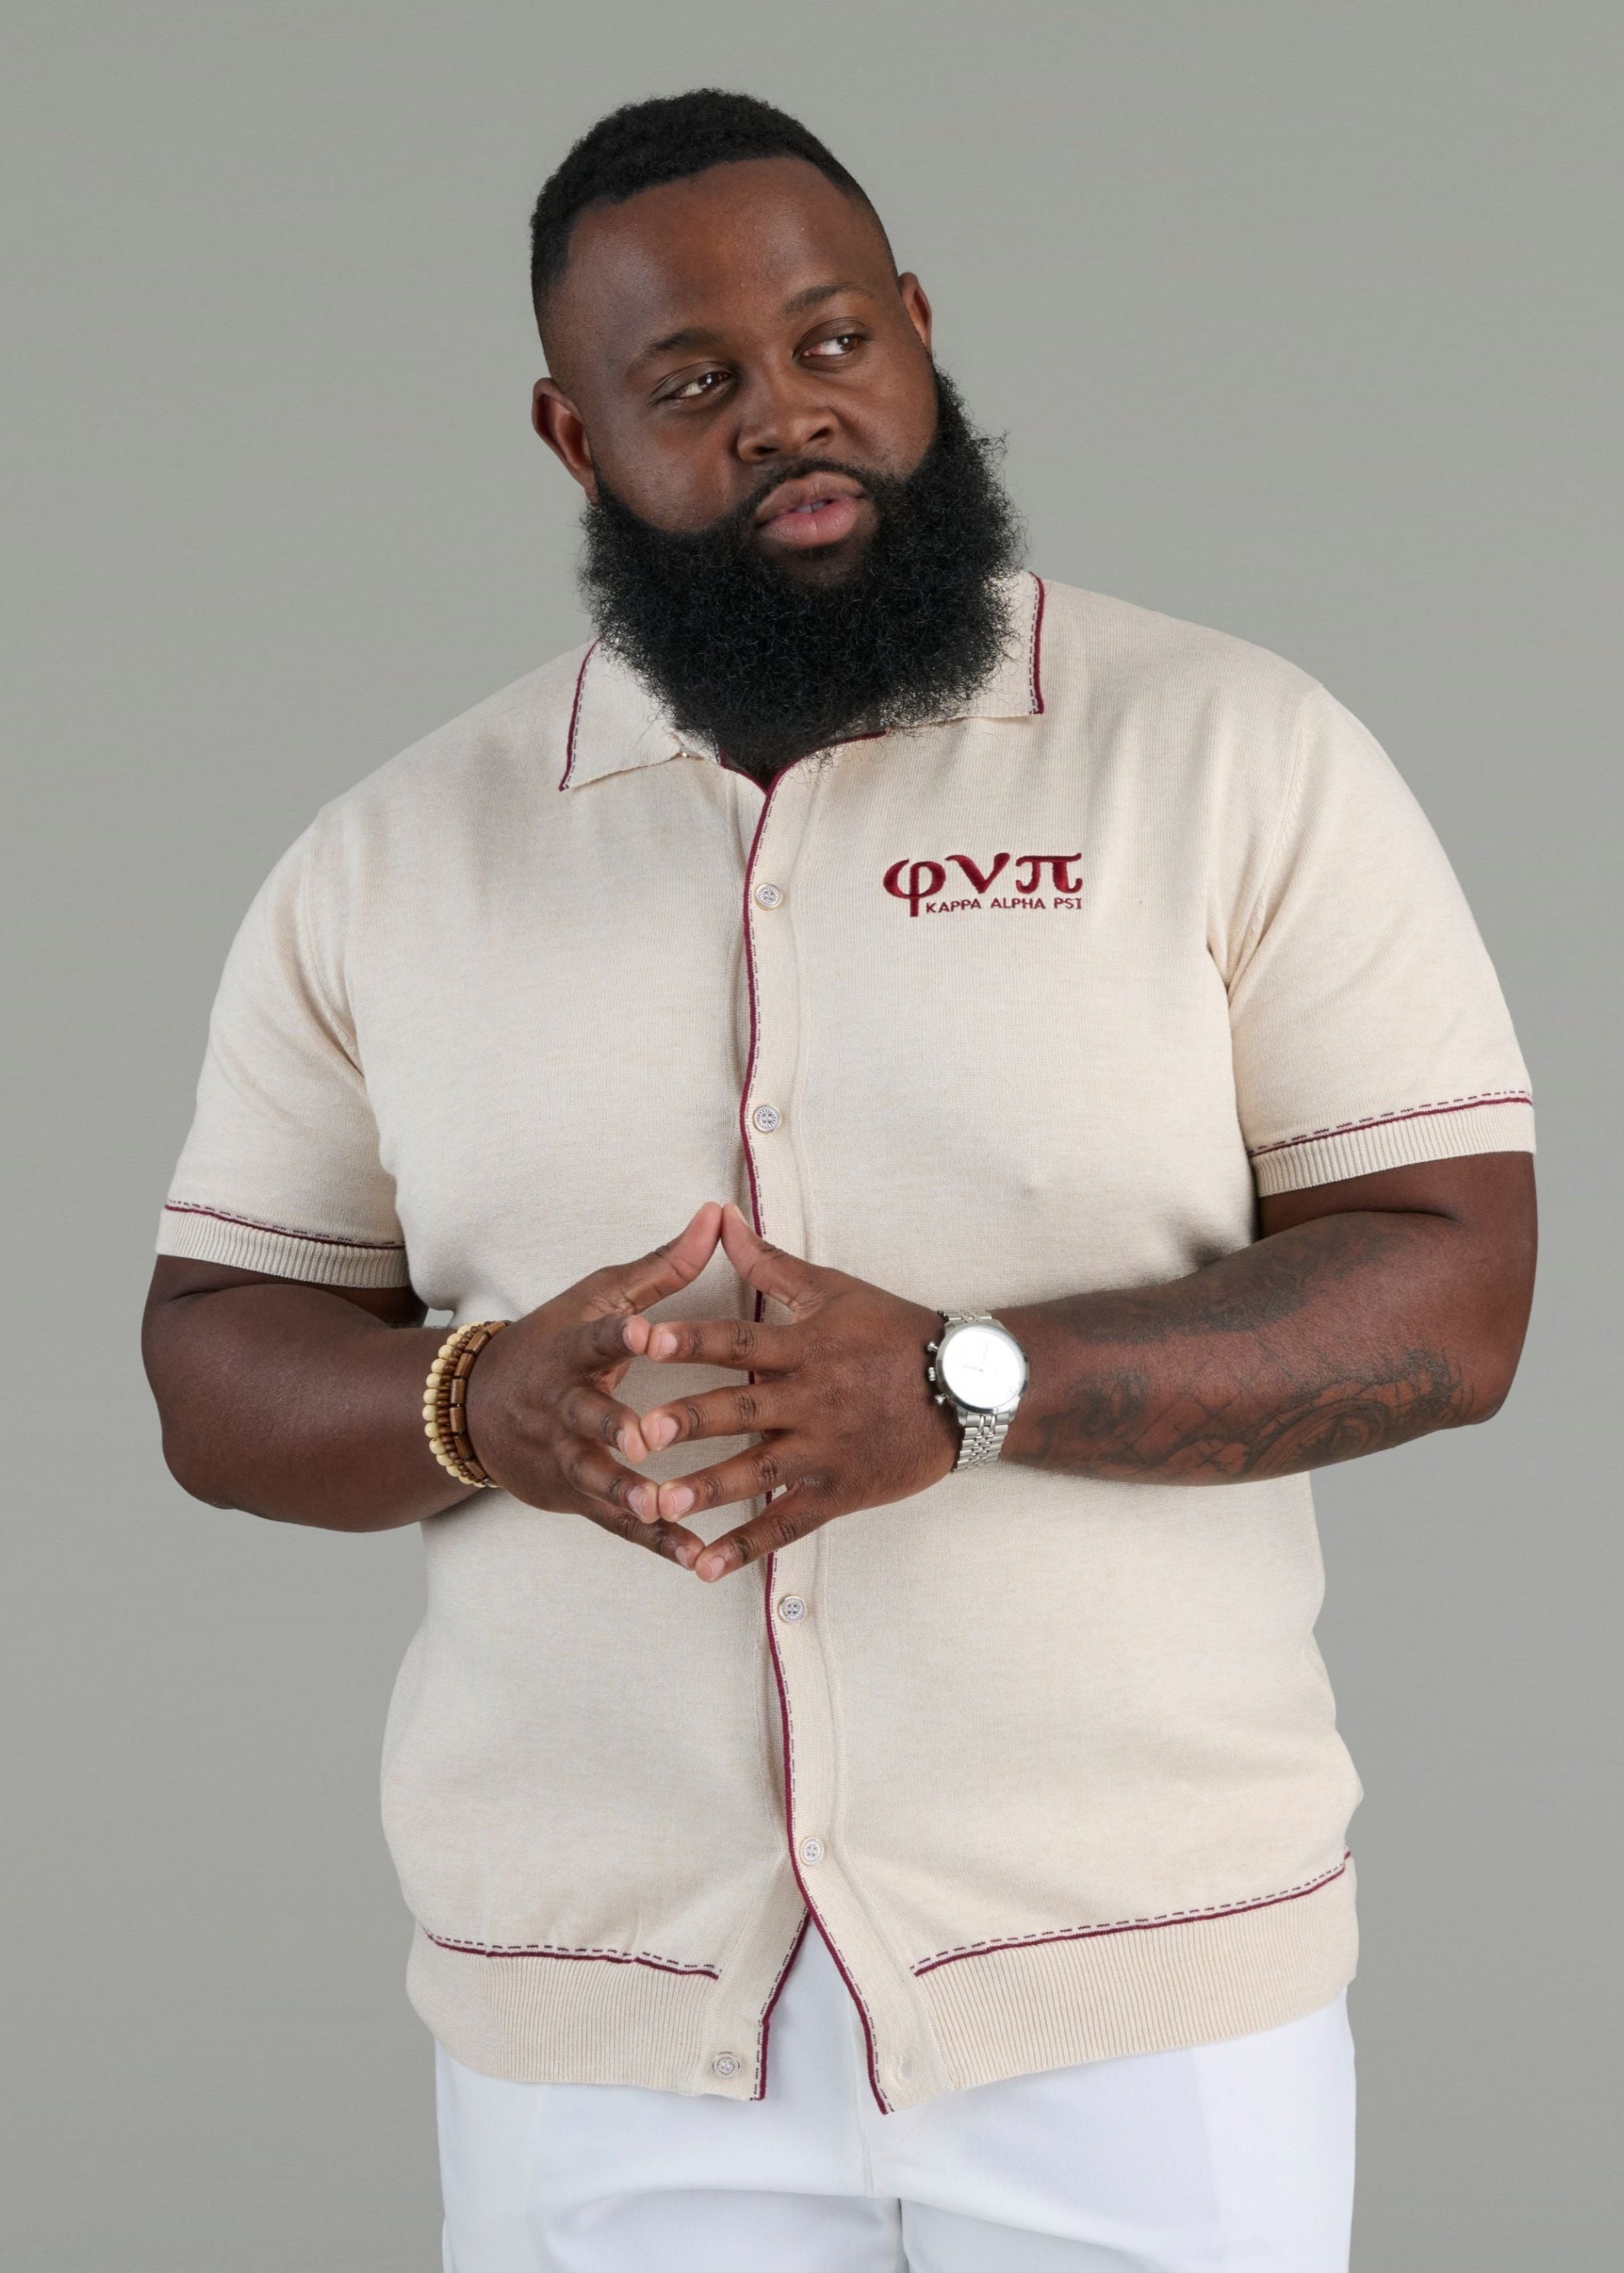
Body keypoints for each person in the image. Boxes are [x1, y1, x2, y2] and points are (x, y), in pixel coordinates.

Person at [142, 89, 1537, 2273]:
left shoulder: (1234, 754)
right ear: (575, 437)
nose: (790, 416)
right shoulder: (391, 859)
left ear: (918, 330)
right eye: (693, 382)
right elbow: (213, 1362)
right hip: (596, 2025)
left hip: (1137, 2000)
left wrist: (962, 1387)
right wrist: (480, 1404)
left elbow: (1456, 1294)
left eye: (831, 343)